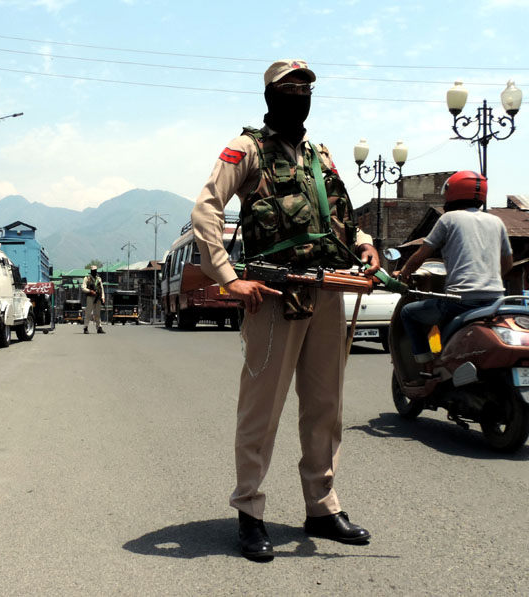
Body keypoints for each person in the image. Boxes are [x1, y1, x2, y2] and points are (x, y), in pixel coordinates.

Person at [191, 59, 379, 562]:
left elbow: (341, 213)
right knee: (262, 409)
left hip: (328, 291)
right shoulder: (247, 149)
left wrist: (364, 243)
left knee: (325, 406)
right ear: (270, 95)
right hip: (274, 293)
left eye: (306, 88)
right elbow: (206, 208)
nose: (299, 95)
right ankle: (249, 510)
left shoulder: (321, 155)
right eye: (289, 88)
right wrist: (228, 277)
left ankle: (322, 506)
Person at [396, 170, 513, 379]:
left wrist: (403, 274)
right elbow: (507, 264)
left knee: (408, 313)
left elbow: (421, 255)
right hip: (495, 301)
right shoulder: (496, 222)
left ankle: (426, 365)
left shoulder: (448, 219)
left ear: (452, 193)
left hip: (460, 302)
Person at [82, 265, 105, 334]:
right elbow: (83, 288)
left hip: (98, 297)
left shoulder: (99, 278)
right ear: (91, 271)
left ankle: (99, 327)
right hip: (90, 297)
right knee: (88, 313)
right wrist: (90, 291)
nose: (94, 272)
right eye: (93, 271)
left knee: (97, 313)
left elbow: (101, 288)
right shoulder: (87, 278)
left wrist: (103, 297)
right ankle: (85, 327)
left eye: (95, 270)